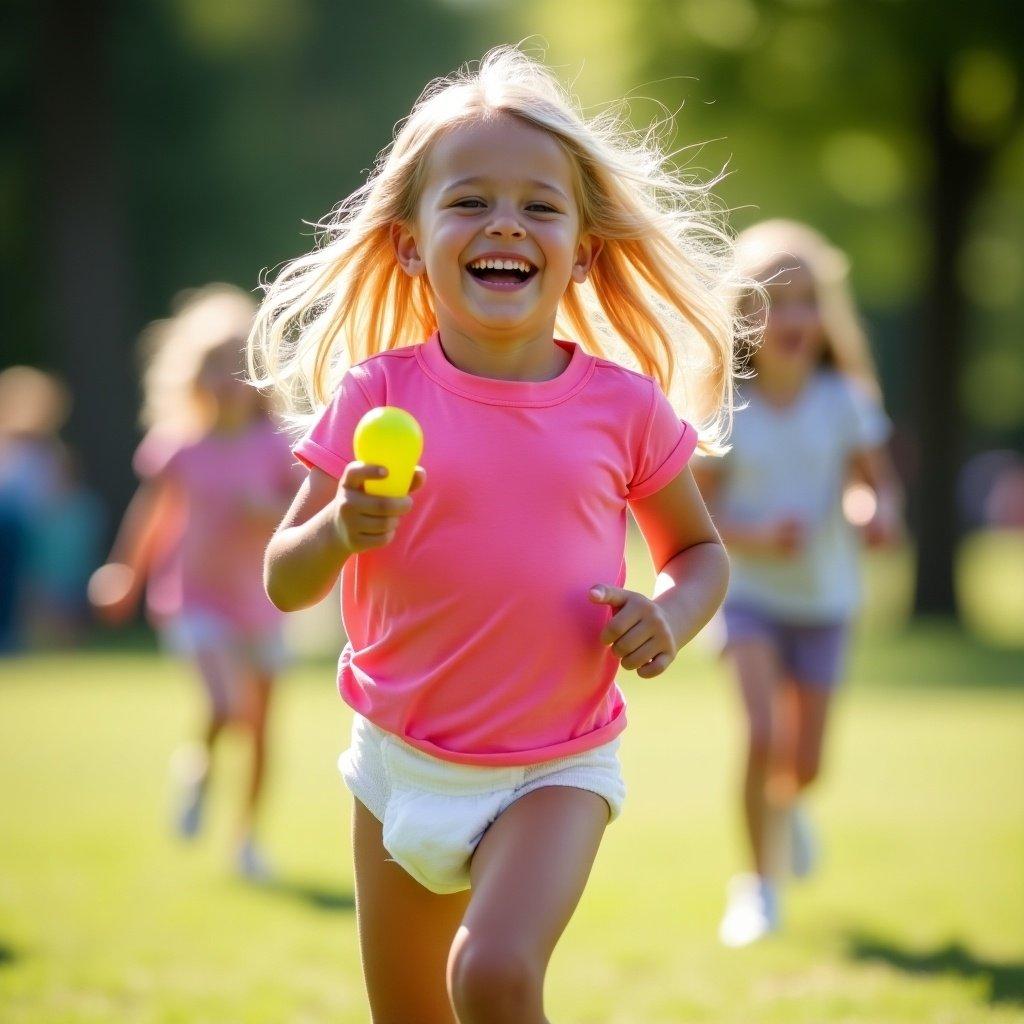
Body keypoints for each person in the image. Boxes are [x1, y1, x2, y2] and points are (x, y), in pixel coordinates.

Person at [248, 46, 741, 1023]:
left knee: (492, 976)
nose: (505, 222)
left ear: (582, 252)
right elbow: (283, 581)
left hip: (555, 764)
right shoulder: (377, 394)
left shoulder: (621, 407)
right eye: (469, 202)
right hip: (397, 762)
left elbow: (698, 553)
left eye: (539, 206)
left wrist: (670, 618)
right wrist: (343, 526)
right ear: (407, 242)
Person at [694, 220, 903, 947]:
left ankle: (787, 810)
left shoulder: (842, 400)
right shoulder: (726, 409)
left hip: (825, 603)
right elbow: (695, 516)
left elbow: (874, 486)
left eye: (806, 301)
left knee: (804, 764)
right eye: (773, 303)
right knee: (761, 733)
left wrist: (873, 513)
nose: (792, 318)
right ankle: (755, 888)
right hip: (748, 598)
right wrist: (756, 535)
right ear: (743, 317)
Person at [89, 284, 299, 880]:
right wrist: (125, 573)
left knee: (260, 727)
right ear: (190, 376)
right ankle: (198, 769)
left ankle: (247, 838)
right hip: (195, 598)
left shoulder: (277, 446)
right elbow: (154, 514)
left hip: (261, 602)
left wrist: (270, 511)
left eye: (238, 366)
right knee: (225, 704)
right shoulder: (179, 446)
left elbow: (306, 518)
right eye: (212, 365)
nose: (226, 378)